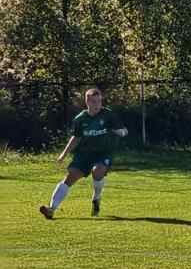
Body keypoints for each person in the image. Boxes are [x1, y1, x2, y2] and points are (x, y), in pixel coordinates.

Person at [39, 87, 127, 220]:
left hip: (103, 153)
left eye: (99, 101)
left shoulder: (108, 115)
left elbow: (123, 130)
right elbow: (76, 138)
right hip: (84, 154)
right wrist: (63, 154)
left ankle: (96, 198)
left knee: (97, 171)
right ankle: (51, 209)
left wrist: (121, 132)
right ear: (88, 102)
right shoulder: (80, 119)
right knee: (70, 177)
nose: (98, 105)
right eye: (94, 102)